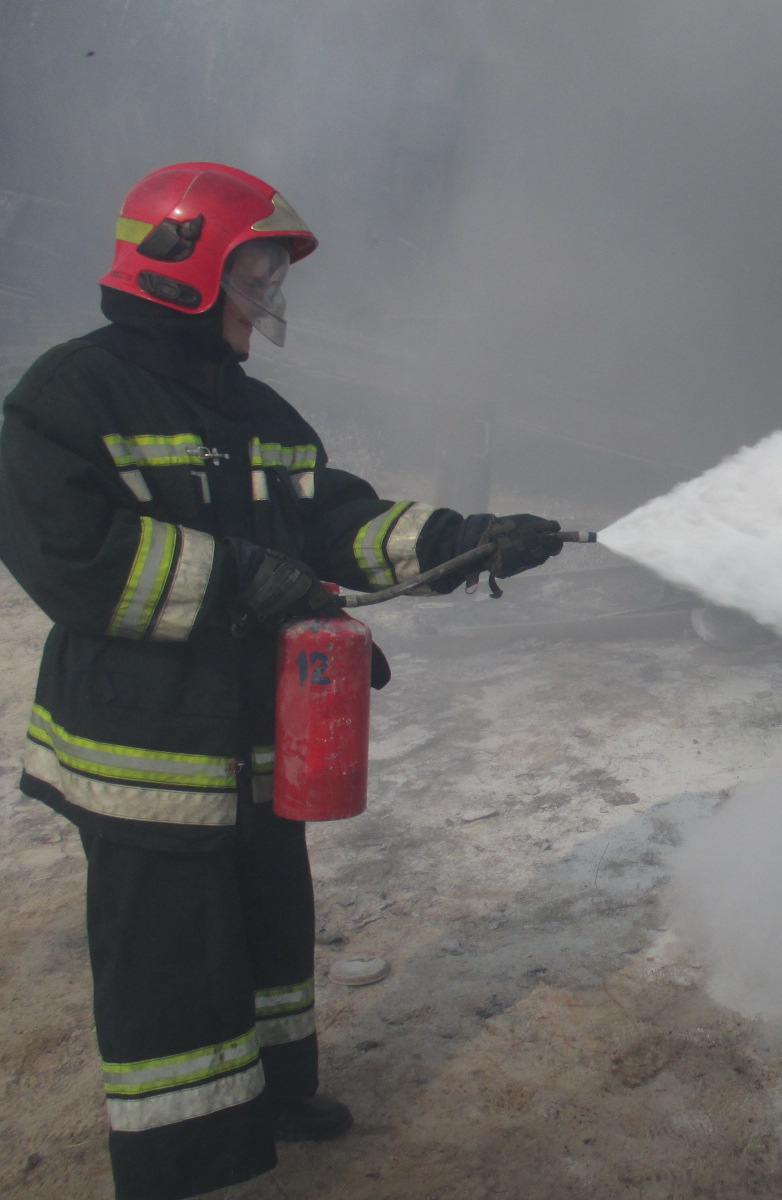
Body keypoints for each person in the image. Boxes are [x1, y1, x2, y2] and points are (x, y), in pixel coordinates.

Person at [0, 162, 564, 1200]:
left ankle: (269, 1094)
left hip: (257, 738)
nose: (268, 306)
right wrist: (239, 575)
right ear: (181, 273)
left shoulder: (254, 414)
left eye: (271, 284)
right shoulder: (67, 399)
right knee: (171, 965)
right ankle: (185, 1163)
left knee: (267, 927)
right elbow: (75, 559)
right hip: (148, 753)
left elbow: (331, 523)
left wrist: (466, 540)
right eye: (253, 281)